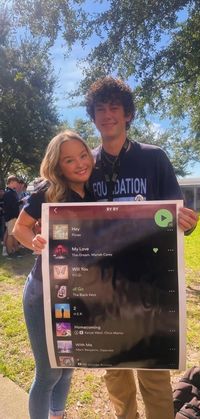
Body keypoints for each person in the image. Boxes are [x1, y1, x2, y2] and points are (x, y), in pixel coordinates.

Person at [85, 76, 199, 419]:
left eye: (114, 108)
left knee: (153, 368)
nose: (107, 115)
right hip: (102, 284)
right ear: (93, 116)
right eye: (100, 109)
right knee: (115, 369)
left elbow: (175, 215)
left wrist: (187, 223)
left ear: (128, 115)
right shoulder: (84, 164)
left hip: (149, 282)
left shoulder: (154, 158)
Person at [13, 130, 94, 419]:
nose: (80, 163)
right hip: (43, 294)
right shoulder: (47, 191)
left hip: (77, 293)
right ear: (59, 166)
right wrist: (32, 242)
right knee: (48, 373)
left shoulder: (95, 190)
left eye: (83, 155)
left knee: (68, 365)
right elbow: (19, 228)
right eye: (70, 160)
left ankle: (57, 415)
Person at [3, 175, 21, 256]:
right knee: (10, 235)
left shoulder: (11, 192)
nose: (17, 184)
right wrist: (21, 202)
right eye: (16, 182)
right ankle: (10, 252)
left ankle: (15, 250)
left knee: (13, 234)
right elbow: (10, 205)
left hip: (13, 216)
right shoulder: (8, 193)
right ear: (12, 182)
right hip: (11, 216)